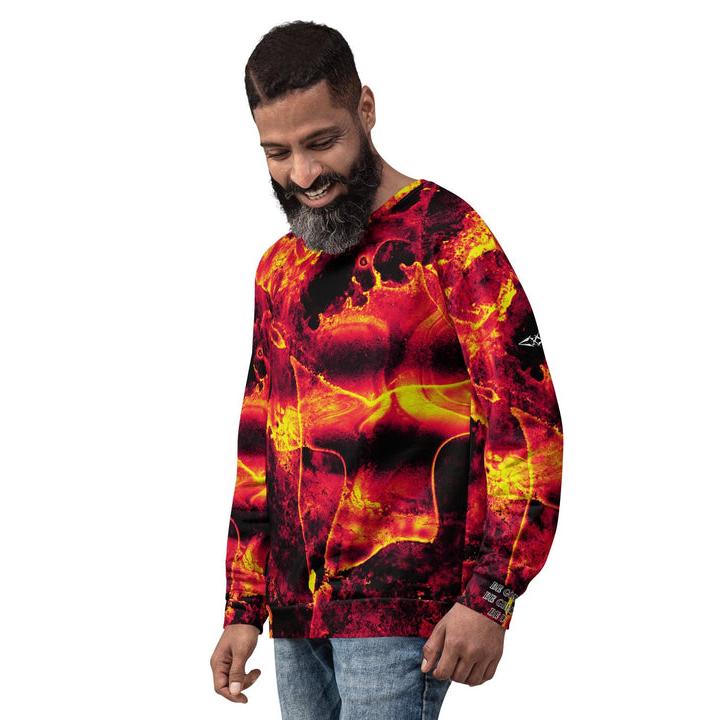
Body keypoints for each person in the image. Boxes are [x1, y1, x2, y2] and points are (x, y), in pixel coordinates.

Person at [210, 20, 563, 720]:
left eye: (322, 142)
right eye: (277, 152)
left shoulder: (449, 238)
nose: (302, 175)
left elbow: (527, 421)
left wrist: (493, 594)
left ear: (365, 109)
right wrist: (244, 605)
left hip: (406, 605)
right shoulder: (278, 271)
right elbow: (260, 446)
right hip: (297, 615)